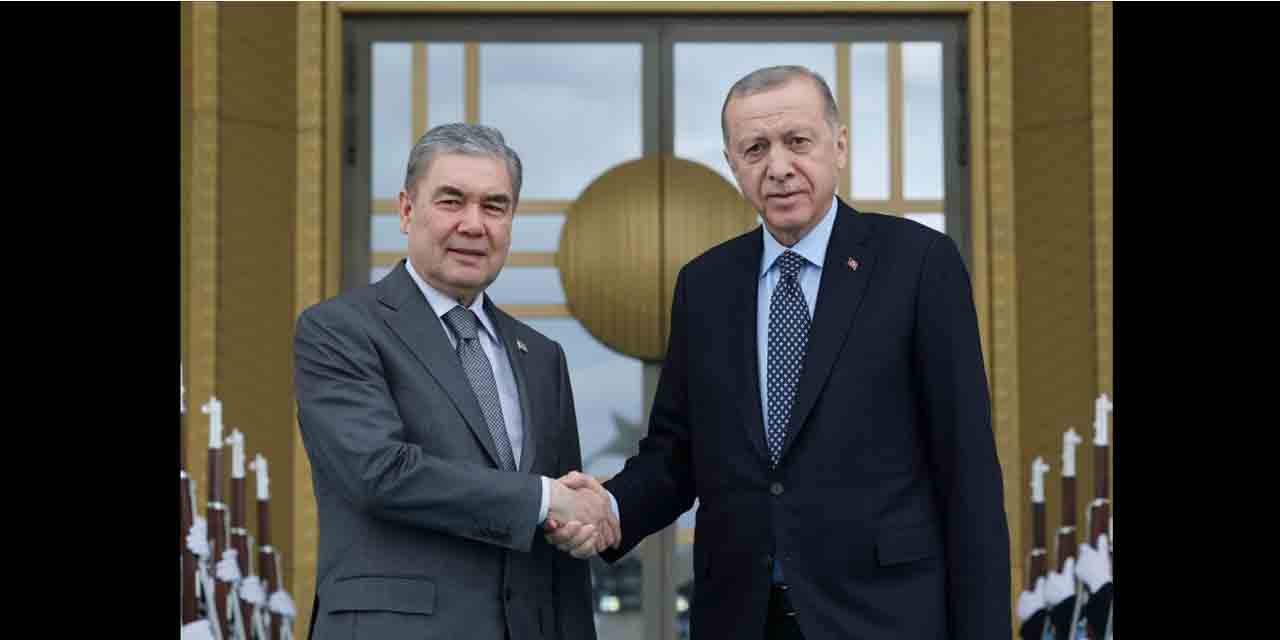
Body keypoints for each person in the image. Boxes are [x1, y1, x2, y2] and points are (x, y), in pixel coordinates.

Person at [547, 65, 1011, 639]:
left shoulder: (918, 265)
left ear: (839, 146)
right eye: (756, 149)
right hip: (739, 619)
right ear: (732, 164)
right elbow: (675, 454)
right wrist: (609, 510)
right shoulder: (705, 285)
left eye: (797, 141)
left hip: (883, 618)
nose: (779, 167)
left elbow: (967, 469)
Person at [294, 123, 617, 640]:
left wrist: (575, 522)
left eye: (494, 206)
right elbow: (379, 473)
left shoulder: (542, 357)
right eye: (451, 201)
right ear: (406, 211)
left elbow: (560, 555)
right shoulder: (339, 330)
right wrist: (543, 499)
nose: (473, 224)